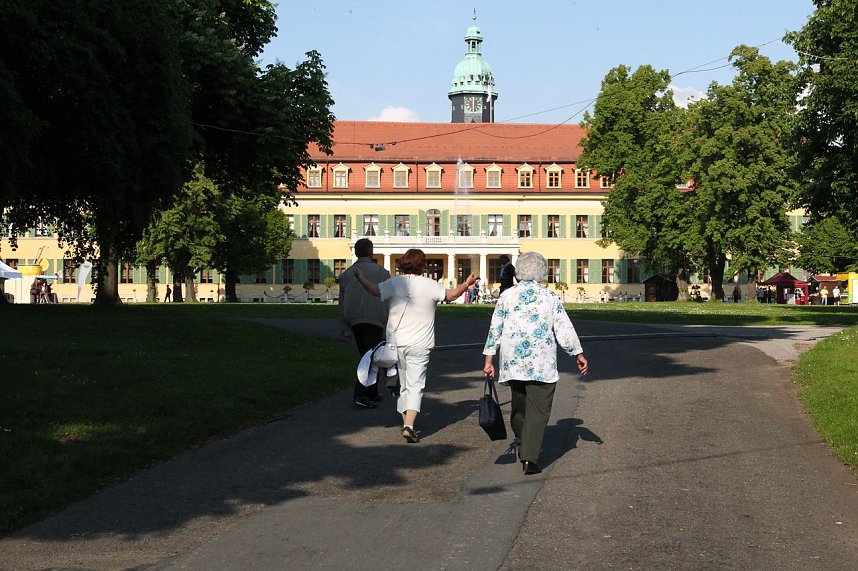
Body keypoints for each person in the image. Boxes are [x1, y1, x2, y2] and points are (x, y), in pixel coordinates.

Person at [482, 252, 589, 475]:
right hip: (541, 362)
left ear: (519, 271)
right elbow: (564, 328)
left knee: (519, 406)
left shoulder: (507, 296)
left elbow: (495, 327)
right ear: (542, 272)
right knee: (538, 410)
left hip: (513, 360)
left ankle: (524, 444)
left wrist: (489, 358)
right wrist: (577, 353)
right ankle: (529, 457)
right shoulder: (549, 297)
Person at [353, 248, 476, 442]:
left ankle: (406, 423)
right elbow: (451, 296)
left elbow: (374, 290)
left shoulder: (394, 283)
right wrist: (466, 283)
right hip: (421, 343)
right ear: (422, 264)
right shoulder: (430, 285)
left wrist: (361, 279)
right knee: (415, 384)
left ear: (403, 263)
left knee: (403, 385)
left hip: (396, 343)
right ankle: (409, 425)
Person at [338, 238, 391, 409]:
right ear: (371, 252)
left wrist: (345, 326)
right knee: (369, 358)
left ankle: (371, 393)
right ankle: (361, 394)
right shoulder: (382, 272)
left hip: (354, 320)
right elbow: (390, 300)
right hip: (375, 319)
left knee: (369, 356)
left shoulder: (347, 274)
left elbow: (342, 302)